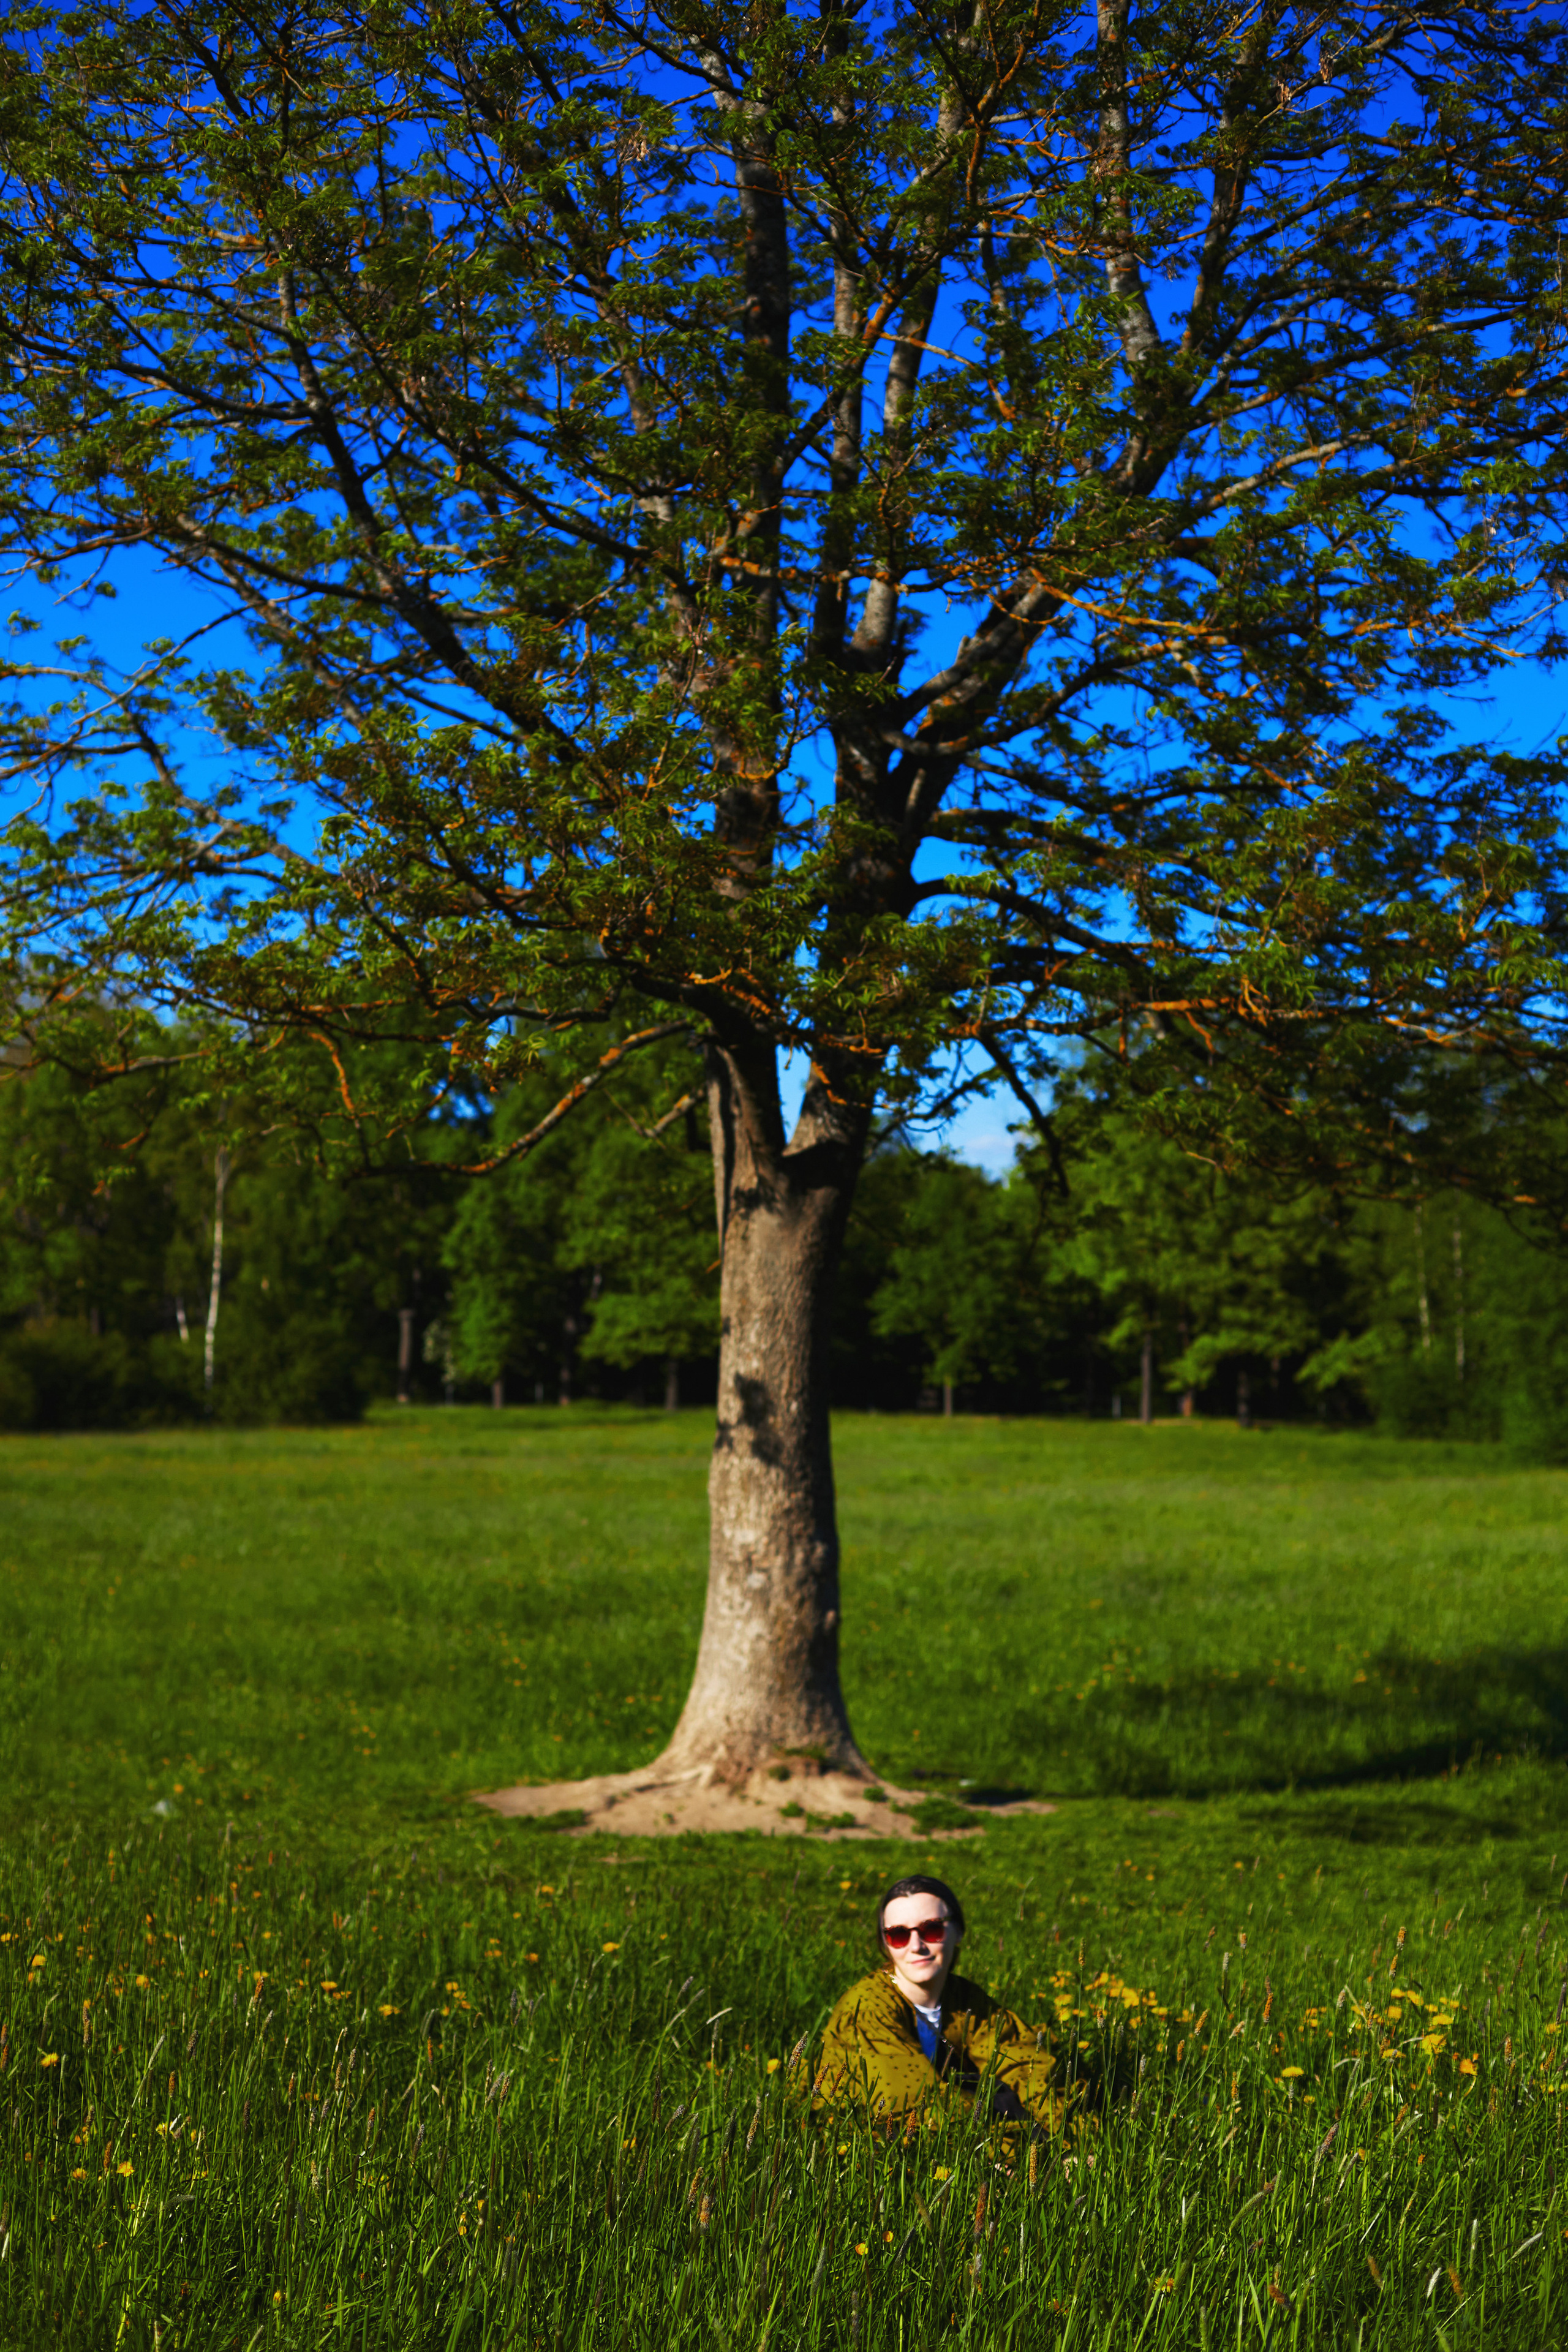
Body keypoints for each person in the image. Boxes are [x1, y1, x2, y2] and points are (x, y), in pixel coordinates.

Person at [811, 1874, 1073, 2133]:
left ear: (958, 1932)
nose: (916, 1946)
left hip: (958, 2118)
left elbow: (1023, 2062)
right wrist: (1007, 2146)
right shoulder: (866, 2009)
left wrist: (1058, 2127)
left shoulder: (965, 1997)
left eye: (932, 1929)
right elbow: (909, 2104)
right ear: (885, 1944)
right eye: (898, 1935)